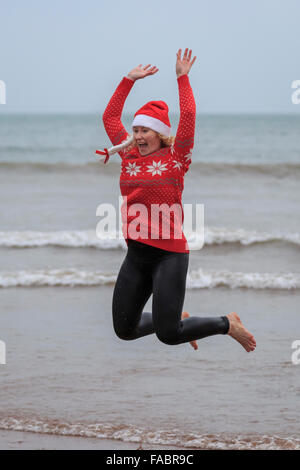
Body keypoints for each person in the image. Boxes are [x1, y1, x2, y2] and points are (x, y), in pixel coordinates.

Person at [97, 48, 256, 353]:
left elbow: (189, 116)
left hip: (169, 255)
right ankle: (174, 317)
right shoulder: (128, 155)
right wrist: (128, 80)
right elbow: (109, 116)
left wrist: (182, 78)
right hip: (137, 253)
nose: (139, 135)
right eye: (136, 130)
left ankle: (227, 323)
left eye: (145, 130)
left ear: (160, 134)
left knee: (169, 335)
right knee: (124, 329)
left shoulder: (176, 159)